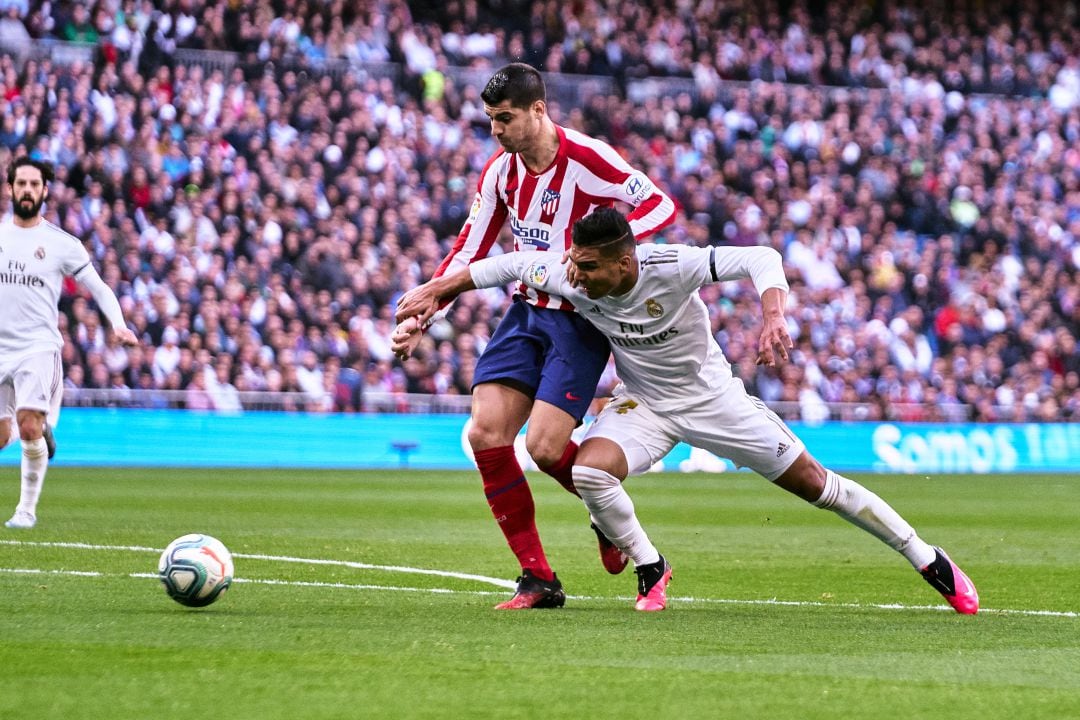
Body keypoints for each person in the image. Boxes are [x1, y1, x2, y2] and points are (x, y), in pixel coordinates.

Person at [395, 207, 979, 615]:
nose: (576, 275)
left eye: (589, 266)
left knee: (818, 485)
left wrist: (774, 314)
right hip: (645, 405)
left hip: (715, 402)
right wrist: (434, 291)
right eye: (573, 262)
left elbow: (763, 256)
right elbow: (502, 266)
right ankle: (651, 566)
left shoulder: (671, 265)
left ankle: (927, 558)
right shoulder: (571, 276)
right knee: (590, 470)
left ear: (626, 262)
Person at [392, 63, 677, 609]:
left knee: (544, 449)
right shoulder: (500, 173)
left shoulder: (590, 160)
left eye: (505, 119)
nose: (497, 131)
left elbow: (659, 204)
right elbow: (470, 248)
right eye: (491, 121)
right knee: (485, 435)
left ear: (538, 110)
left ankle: (604, 512)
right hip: (524, 314)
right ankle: (538, 578)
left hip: (579, 320)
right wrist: (425, 306)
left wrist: (608, 244)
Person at [0, 157, 137, 529]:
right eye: (21, 183)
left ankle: (25, 511)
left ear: (44, 191)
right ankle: (41, 428)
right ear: (10, 188)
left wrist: (118, 325)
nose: (27, 190)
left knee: (27, 426)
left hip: (37, 347)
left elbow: (99, 287)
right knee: (4, 436)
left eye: (34, 184)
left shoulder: (61, 244)